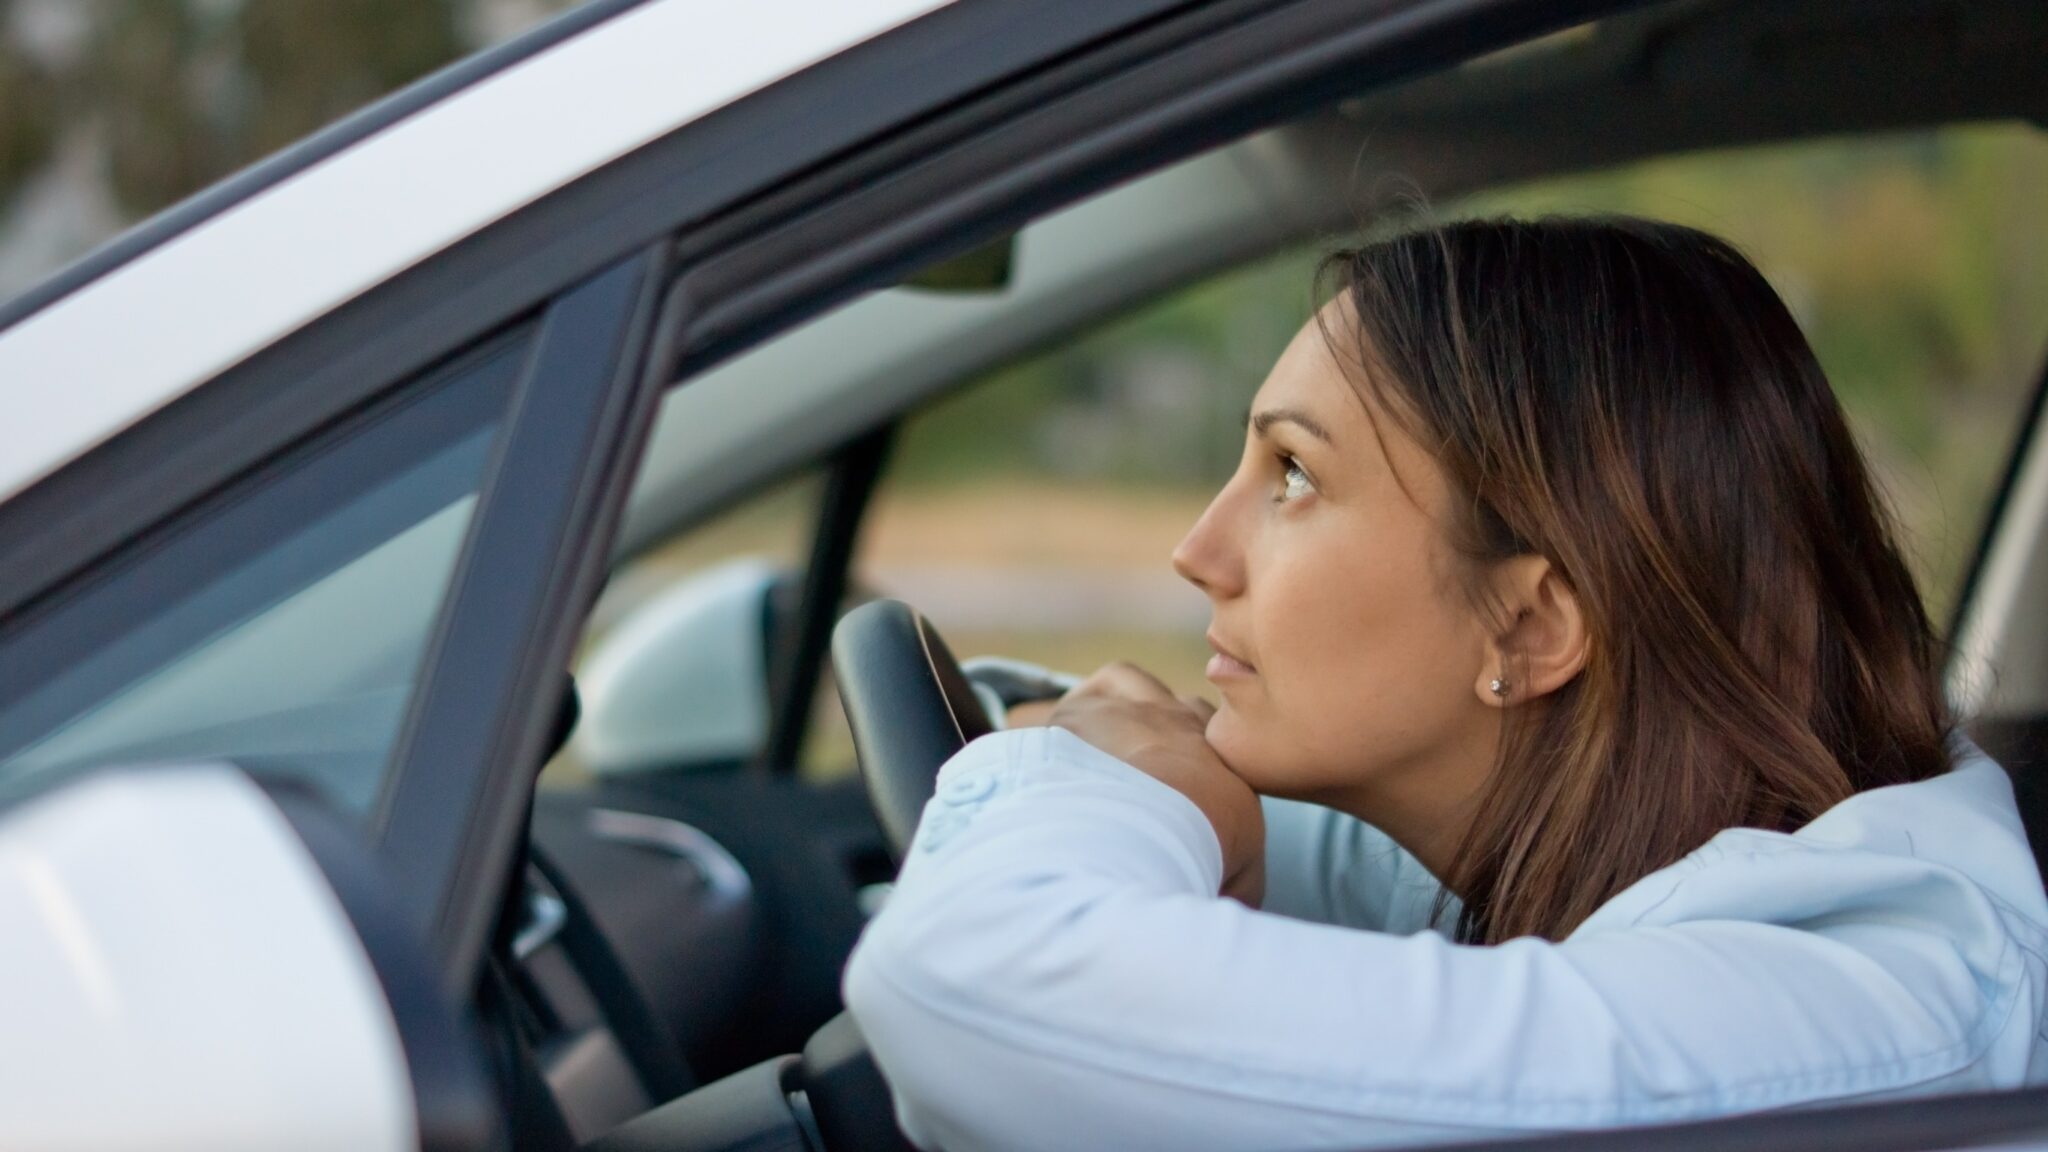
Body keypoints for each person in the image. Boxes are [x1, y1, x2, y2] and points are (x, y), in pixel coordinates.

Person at [841, 217, 2048, 1150]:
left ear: (1527, 628)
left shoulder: (1838, 1026)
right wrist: (1106, 766)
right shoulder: (1589, 833)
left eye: (1294, 476)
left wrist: (1123, 790)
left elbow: (970, 981)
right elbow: (1279, 837)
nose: (1197, 550)